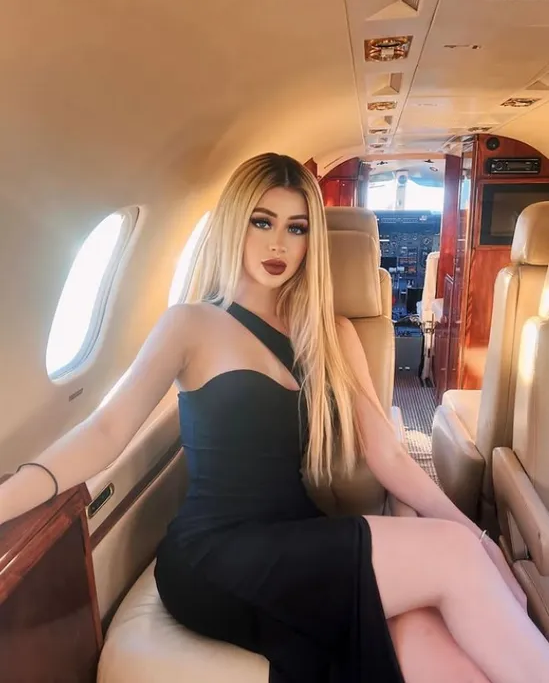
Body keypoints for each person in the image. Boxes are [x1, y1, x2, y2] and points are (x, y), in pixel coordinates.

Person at [0, 153, 548, 683]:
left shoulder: (332, 333)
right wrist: (9, 497)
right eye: (261, 222)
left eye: (296, 227)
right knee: (454, 557)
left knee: (430, 633)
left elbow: (387, 452)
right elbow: (105, 430)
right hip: (216, 555)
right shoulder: (189, 324)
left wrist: (477, 535)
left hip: (297, 534)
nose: (278, 244)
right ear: (234, 224)